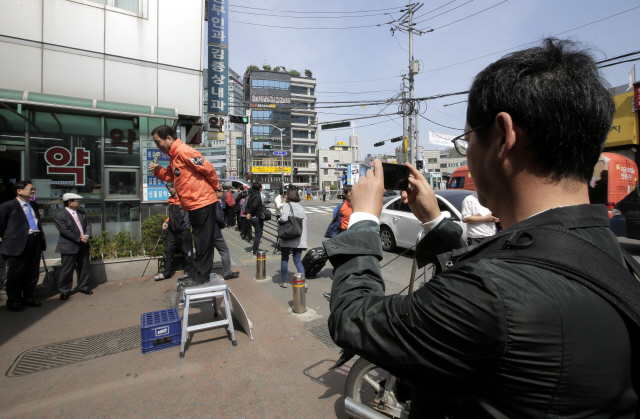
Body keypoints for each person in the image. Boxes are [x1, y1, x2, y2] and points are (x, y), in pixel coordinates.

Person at [324, 39, 637, 416]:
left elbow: (354, 317)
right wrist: (435, 219)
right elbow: (493, 265)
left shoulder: (491, 295)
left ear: (503, 136)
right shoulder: (614, 257)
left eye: (467, 140)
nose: (468, 155)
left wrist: (363, 218)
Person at [148, 125, 220, 285]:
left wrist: (216, 187)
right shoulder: (173, 156)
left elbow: (207, 168)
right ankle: (197, 273)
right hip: (192, 204)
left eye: (158, 142)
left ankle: (201, 276)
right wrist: (157, 170)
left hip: (202, 201)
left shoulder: (183, 151)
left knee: (203, 241)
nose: (157, 146)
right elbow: (170, 176)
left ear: (168, 138)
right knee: (199, 241)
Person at [0, 181, 47, 312]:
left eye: (34, 189)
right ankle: (14, 301)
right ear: (19, 191)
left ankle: (28, 297)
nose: (33, 191)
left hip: (34, 241)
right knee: (16, 274)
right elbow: (1, 224)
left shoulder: (33, 205)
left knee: (32, 272)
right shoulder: (7, 206)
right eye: (30, 189)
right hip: (16, 244)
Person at [54, 193, 92, 300]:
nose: (79, 203)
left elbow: (88, 225)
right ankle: (64, 290)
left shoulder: (82, 213)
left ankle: (84, 286)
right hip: (69, 246)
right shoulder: (60, 215)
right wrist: (79, 238)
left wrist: (86, 235)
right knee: (67, 269)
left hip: (83, 245)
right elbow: (64, 231)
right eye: (77, 201)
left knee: (84, 267)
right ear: (70, 203)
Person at [154, 182, 193, 282]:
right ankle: (166, 273)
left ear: (175, 187)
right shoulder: (170, 199)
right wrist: (166, 222)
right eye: (168, 189)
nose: (169, 191)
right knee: (167, 251)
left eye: (169, 188)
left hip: (183, 230)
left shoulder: (184, 198)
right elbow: (171, 215)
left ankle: (188, 272)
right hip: (172, 230)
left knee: (187, 252)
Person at [277, 188, 307, 288]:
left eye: (286, 194)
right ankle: (304, 282)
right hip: (298, 238)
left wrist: (279, 220)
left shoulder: (287, 205)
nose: (285, 196)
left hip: (287, 236)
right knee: (297, 260)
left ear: (289, 196)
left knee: (285, 259)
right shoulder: (301, 207)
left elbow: (284, 218)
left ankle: (284, 282)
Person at [213, 188, 240, 279]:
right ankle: (227, 273)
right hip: (215, 232)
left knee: (208, 253)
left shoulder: (206, 202)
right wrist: (223, 224)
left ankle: (202, 272)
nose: (222, 193)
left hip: (207, 232)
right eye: (221, 191)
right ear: (216, 192)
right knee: (224, 251)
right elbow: (218, 217)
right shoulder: (215, 203)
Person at [245, 183, 265, 257]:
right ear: (260, 188)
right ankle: (254, 251)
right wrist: (250, 213)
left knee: (257, 234)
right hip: (256, 217)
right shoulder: (257, 196)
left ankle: (254, 249)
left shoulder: (251, 195)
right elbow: (254, 206)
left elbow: (247, 206)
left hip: (252, 217)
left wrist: (247, 213)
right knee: (258, 235)